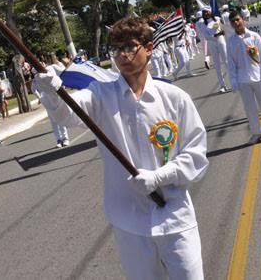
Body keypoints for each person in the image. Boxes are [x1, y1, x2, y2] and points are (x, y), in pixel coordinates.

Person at [35, 16, 208, 279]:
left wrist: (159, 177)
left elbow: (196, 155)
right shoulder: (100, 95)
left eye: (130, 47)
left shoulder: (174, 98)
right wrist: (52, 92)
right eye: (116, 49)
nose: (122, 55)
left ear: (149, 48)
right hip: (129, 223)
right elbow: (66, 114)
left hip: (174, 217)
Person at [226, 11, 261, 144]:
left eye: (238, 20)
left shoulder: (254, 36)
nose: (236, 23)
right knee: (249, 108)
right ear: (231, 24)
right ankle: (256, 133)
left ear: (243, 20)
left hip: (259, 75)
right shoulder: (231, 41)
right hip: (243, 78)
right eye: (233, 21)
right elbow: (230, 62)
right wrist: (233, 80)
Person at [32, 59, 69, 148]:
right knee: (53, 121)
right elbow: (33, 89)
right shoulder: (36, 77)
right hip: (47, 101)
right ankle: (59, 139)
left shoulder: (51, 68)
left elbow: (63, 71)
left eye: (41, 63)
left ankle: (65, 138)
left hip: (57, 96)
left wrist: (62, 85)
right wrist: (40, 97)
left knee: (60, 117)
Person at [195, 7, 231, 93]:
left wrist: (220, 32)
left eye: (207, 12)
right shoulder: (202, 24)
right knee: (217, 65)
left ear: (211, 12)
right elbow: (206, 36)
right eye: (204, 13)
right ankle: (222, 85)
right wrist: (216, 34)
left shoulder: (218, 19)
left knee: (226, 62)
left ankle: (233, 82)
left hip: (221, 41)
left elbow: (225, 29)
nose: (206, 14)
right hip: (212, 43)